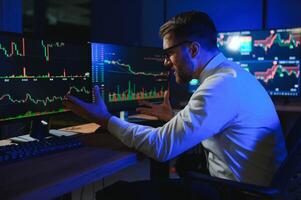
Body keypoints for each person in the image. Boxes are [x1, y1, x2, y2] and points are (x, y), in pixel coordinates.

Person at [63, 11, 287, 199]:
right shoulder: (232, 75)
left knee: (115, 194)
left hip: (239, 194)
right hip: (257, 189)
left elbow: (161, 147)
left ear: (193, 50)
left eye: (169, 53)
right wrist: (176, 117)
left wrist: (105, 119)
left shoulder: (219, 86)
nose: (165, 62)